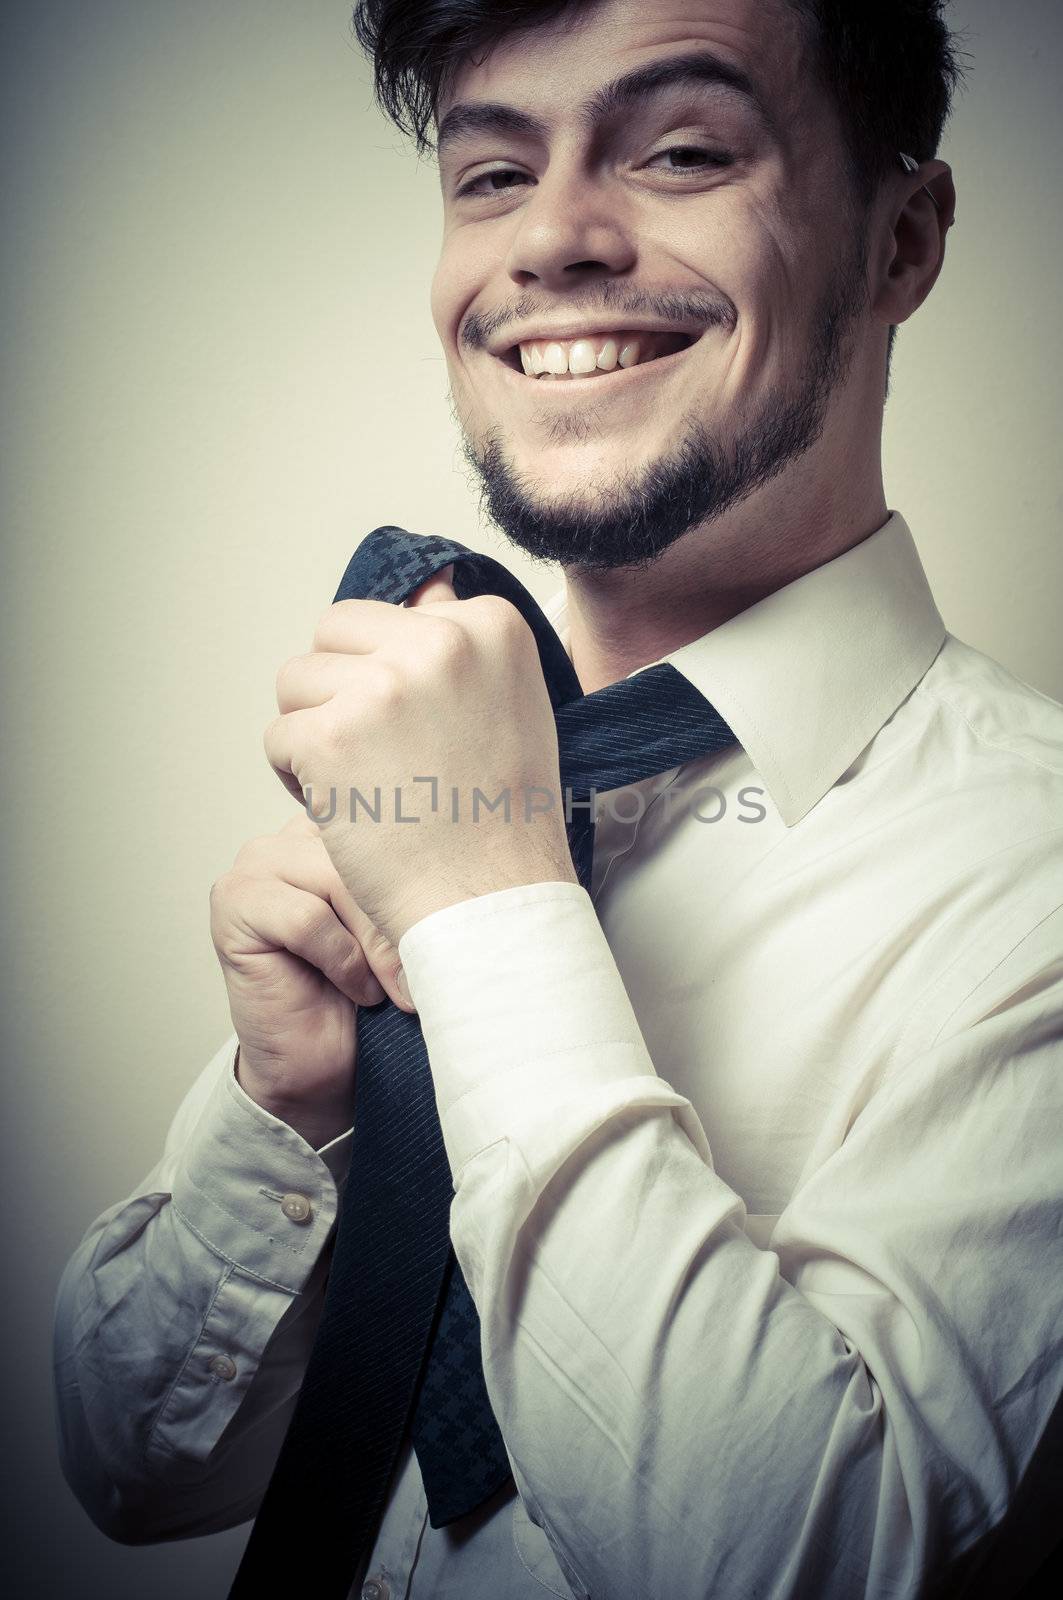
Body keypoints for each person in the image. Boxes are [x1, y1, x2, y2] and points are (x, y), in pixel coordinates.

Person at [53, 1, 1063, 1596]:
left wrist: (484, 912)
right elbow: (128, 1467)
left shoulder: (1041, 877)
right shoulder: (446, 768)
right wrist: (292, 1105)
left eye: (677, 150)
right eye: (491, 174)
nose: (555, 241)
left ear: (903, 240)